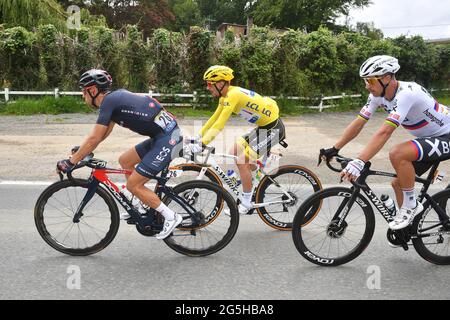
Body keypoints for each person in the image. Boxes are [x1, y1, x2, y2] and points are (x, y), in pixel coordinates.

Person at [322, 55, 450, 230]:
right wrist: (335, 148)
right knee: (399, 183)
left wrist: (360, 161)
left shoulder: (407, 94)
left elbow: (385, 131)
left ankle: (411, 207)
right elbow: (359, 123)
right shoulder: (377, 95)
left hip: (447, 135)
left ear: (387, 78)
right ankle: (408, 229)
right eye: (365, 81)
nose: (367, 86)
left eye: (371, 81)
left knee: (398, 153)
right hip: (430, 138)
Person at [56, 69, 183, 240]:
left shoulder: (109, 102)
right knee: (125, 160)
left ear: (93, 90)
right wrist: (83, 150)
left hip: (169, 138)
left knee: (134, 185)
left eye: (83, 91)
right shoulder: (114, 100)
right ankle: (140, 205)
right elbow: (102, 134)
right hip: (162, 136)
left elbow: (95, 137)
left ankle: (171, 216)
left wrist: (71, 162)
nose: (82, 96)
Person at [190, 65, 286, 214]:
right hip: (263, 128)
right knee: (234, 151)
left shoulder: (232, 95)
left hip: (273, 129)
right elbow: (214, 118)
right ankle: (253, 171)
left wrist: (203, 143)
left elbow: (220, 124)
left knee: (242, 161)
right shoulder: (226, 96)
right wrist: (198, 137)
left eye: (210, 83)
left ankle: (246, 202)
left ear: (221, 83)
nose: (208, 87)